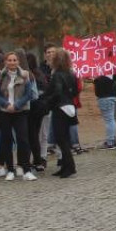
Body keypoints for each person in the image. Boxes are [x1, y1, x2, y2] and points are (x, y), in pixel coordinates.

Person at [0, 51, 37, 181]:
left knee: (23, 139)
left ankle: (26, 169)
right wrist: (6, 104)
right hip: (4, 111)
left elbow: (28, 94)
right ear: (5, 62)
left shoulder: (25, 75)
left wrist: (16, 105)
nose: (12, 62)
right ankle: (10, 170)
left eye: (14, 60)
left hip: (20, 111)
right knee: (6, 140)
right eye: (9, 60)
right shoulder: (0, 76)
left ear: (18, 62)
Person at [46, 48, 78, 178]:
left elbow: (57, 92)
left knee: (61, 139)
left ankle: (70, 167)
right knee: (65, 138)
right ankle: (65, 166)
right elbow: (75, 91)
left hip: (59, 108)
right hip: (69, 107)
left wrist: (49, 100)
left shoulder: (57, 74)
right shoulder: (71, 73)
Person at [94, 71, 116, 149]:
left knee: (109, 120)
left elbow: (100, 86)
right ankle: (112, 139)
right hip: (112, 97)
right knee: (112, 119)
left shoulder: (104, 74)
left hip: (106, 97)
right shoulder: (113, 72)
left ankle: (110, 142)